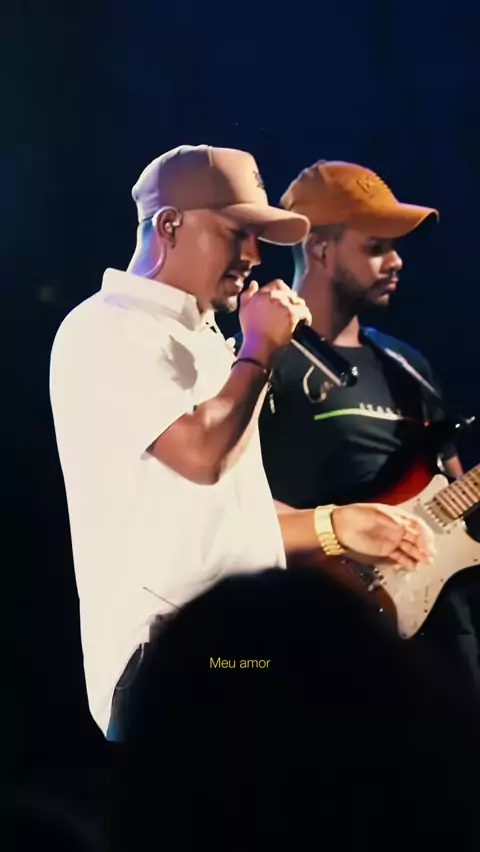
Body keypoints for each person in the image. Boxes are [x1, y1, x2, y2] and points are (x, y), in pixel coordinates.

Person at [49, 146, 435, 738]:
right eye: (237, 233)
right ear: (169, 226)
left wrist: (335, 524)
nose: (253, 255)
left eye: (258, 237)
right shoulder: (107, 325)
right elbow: (201, 457)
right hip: (177, 658)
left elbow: (226, 513)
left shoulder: (204, 338)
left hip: (240, 644)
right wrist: (259, 348)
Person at [259, 158, 480, 697]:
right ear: (320, 249)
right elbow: (226, 507)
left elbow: (455, 491)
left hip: (442, 634)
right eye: (377, 247)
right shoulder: (261, 359)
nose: (397, 261)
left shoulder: (408, 365)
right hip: (322, 630)